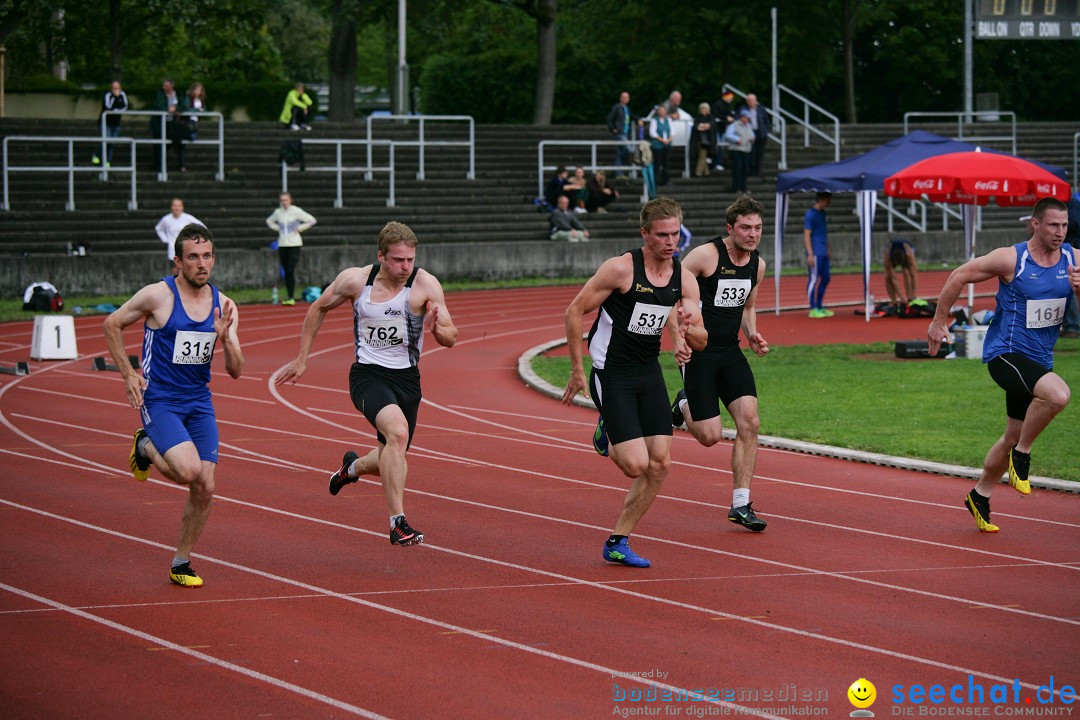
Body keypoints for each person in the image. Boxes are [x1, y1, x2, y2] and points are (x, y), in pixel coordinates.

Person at [276, 221, 458, 548]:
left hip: (407, 380)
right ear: (381, 256)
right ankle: (397, 523)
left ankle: (352, 468)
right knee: (398, 434)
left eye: (410, 260)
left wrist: (435, 329)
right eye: (398, 260)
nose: (405, 267)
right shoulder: (356, 281)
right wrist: (302, 358)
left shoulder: (426, 285)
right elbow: (318, 307)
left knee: (392, 452)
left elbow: (451, 336)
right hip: (368, 376)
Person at [562, 197, 707, 568]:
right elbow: (575, 309)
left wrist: (687, 333)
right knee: (634, 465)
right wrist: (578, 369)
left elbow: (701, 336)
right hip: (611, 372)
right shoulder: (621, 269)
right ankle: (607, 426)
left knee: (659, 464)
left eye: (675, 234)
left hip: (647, 371)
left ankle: (617, 540)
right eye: (662, 235)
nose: (670, 242)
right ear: (645, 234)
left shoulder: (683, 278)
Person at [103, 223, 244, 587]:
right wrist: (128, 374)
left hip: (199, 401)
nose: (202, 263)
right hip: (161, 398)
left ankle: (181, 562)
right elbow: (112, 323)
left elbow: (236, 371)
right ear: (177, 262)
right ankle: (145, 445)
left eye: (207, 256)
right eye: (193, 257)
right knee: (187, 471)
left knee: (206, 486)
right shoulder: (157, 296)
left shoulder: (225, 306)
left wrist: (225, 339)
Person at [927, 197, 1079, 533]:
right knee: (1057, 396)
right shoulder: (1011, 259)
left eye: (1065, 225)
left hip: (1039, 360)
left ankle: (980, 494)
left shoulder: (1073, 260)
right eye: (1053, 225)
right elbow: (958, 275)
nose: (1060, 232)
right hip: (1005, 355)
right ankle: (1022, 457)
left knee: (1012, 433)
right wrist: (939, 322)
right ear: (1035, 224)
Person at [670, 196, 770, 532]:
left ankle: (741, 504)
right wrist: (679, 338)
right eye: (745, 227)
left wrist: (753, 334)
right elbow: (671, 294)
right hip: (699, 352)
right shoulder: (705, 256)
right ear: (730, 228)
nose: (752, 234)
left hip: (730, 352)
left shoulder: (757, 264)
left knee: (750, 422)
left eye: (757, 228)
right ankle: (683, 400)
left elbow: (748, 306)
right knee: (710, 436)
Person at [265, 192, 317, 306]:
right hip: (283, 243)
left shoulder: (296, 211)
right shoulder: (278, 212)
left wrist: (300, 228)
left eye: (286, 200)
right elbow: (269, 221)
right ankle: (290, 297)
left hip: (294, 244)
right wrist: (279, 228)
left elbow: (312, 220)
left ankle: (291, 296)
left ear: (290, 200)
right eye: (282, 200)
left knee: (290, 269)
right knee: (286, 271)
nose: (284, 202)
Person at [804, 192, 832, 318]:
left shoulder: (823, 213)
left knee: (826, 278)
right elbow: (807, 235)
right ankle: (813, 307)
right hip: (815, 252)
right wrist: (810, 254)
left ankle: (819, 305)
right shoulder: (810, 215)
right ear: (822, 199)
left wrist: (828, 248)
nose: (829, 202)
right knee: (814, 279)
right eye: (828, 200)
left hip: (823, 251)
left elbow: (823, 232)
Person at [151, 79, 187, 172]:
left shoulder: (179, 95)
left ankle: (180, 164)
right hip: (160, 124)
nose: (164, 87)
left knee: (176, 142)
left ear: (172, 85)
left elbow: (183, 106)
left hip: (174, 123)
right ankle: (159, 167)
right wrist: (168, 109)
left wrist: (175, 109)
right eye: (163, 85)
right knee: (158, 145)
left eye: (166, 85)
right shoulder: (160, 95)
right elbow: (158, 106)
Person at [155, 198, 202, 268]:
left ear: (182, 207)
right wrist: (164, 239)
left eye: (179, 206)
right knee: (176, 273)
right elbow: (158, 228)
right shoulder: (166, 219)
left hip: (187, 249)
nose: (177, 208)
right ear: (171, 207)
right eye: (175, 206)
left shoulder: (188, 218)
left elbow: (201, 226)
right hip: (172, 249)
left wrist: (194, 239)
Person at [91, 81, 128, 167]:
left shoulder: (123, 95)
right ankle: (97, 155)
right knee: (106, 140)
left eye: (117, 88)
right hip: (105, 123)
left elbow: (125, 106)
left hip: (116, 123)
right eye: (114, 88)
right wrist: (115, 98)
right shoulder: (108, 95)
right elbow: (108, 107)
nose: (116, 90)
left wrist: (116, 110)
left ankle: (108, 162)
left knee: (112, 143)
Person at [606, 91, 638, 176]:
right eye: (623, 97)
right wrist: (613, 129)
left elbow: (631, 116)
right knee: (628, 149)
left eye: (627, 97)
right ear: (620, 98)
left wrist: (639, 119)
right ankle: (618, 171)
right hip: (619, 133)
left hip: (625, 133)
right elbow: (609, 118)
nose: (625, 99)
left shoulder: (627, 108)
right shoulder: (617, 107)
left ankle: (617, 171)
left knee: (622, 151)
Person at [723, 110, 753, 194]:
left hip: (746, 150)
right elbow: (728, 135)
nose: (747, 119)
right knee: (737, 169)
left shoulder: (748, 126)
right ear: (742, 117)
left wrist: (752, 138)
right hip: (736, 150)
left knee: (745, 169)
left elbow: (752, 134)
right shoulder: (734, 125)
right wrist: (736, 140)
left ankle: (743, 187)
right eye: (746, 117)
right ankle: (736, 187)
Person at [884, 238, 919, 306]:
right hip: (891, 251)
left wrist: (914, 294)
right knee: (887, 277)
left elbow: (914, 275)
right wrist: (901, 298)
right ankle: (893, 300)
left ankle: (910, 297)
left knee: (907, 272)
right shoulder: (888, 259)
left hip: (906, 248)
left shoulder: (909, 255)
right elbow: (893, 279)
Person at [743, 93, 771, 177]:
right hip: (749, 133)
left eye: (753, 100)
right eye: (750, 100)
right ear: (747, 101)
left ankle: (758, 171)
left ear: (756, 101)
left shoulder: (761, 109)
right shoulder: (744, 110)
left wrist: (766, 131)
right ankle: (751, 171)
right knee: (751, 152)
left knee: (760, 153)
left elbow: (767, 121)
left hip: (760, 133)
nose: (752, 102)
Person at [689, 102, 717, 178]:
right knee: (702, 156)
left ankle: (698, 172)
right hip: (698, 140)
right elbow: (697, 127)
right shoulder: (697, 118)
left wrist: (702, 126)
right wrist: (703, 126)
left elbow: (708, 126)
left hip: (707, 141)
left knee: (702, 156)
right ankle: (707, 172)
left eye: (705, 108)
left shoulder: (711, 118)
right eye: (702, 108)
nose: (703, 110)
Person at [648, 105, 672, 186]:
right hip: (657, 145)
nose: (662, 112)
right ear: (658, 112)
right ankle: (655, 181)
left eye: (663, 110)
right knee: (657, 163)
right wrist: (662, 140)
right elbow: (652, 133)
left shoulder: (668, 120)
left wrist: (668, 140)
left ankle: (666, 180)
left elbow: (672, 131)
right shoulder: (654, 120)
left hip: (667, 144)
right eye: (660, 110)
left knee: (666, 163)